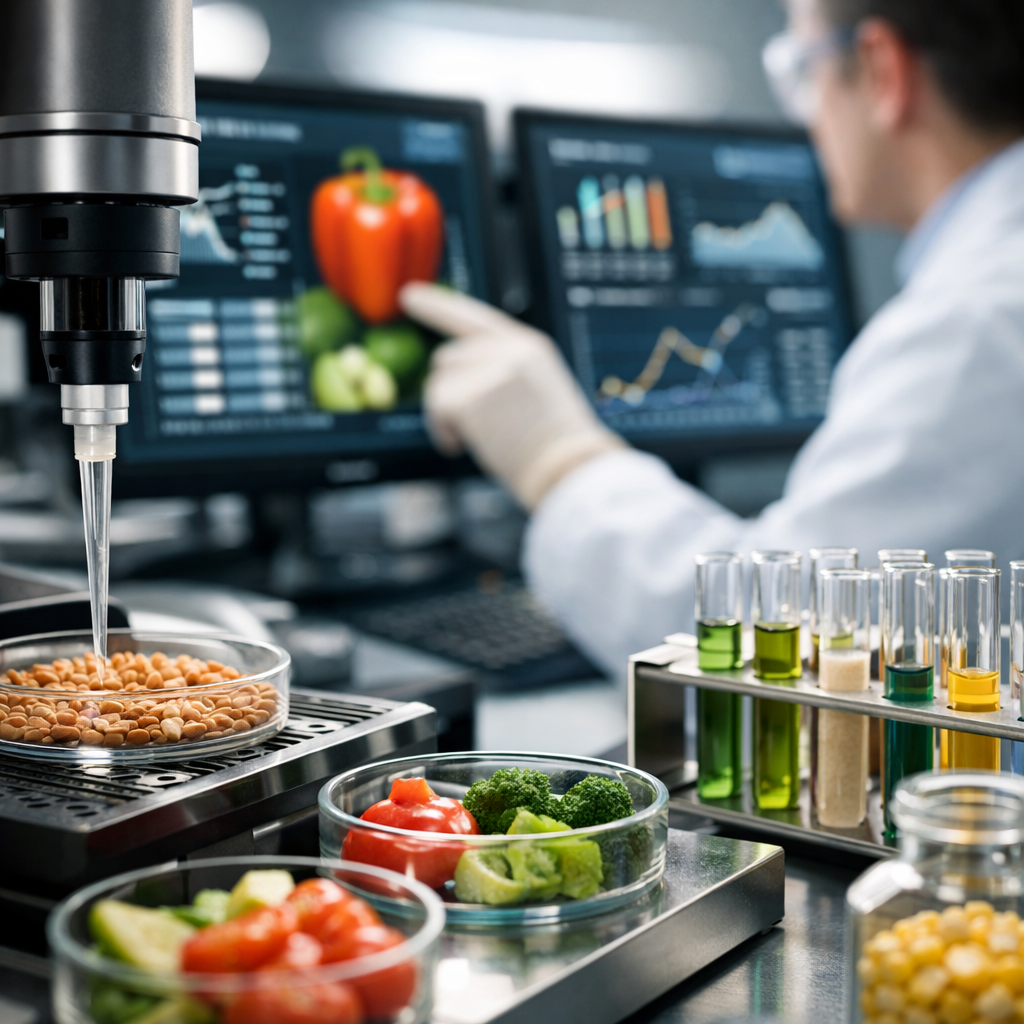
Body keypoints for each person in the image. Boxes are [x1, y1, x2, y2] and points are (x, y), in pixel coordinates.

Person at [400, 0, 1024, 677]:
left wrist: (557, 458)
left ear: (882, 71)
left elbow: (768, 658)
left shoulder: (981, 326)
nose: (806, 116)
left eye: (800, 71)